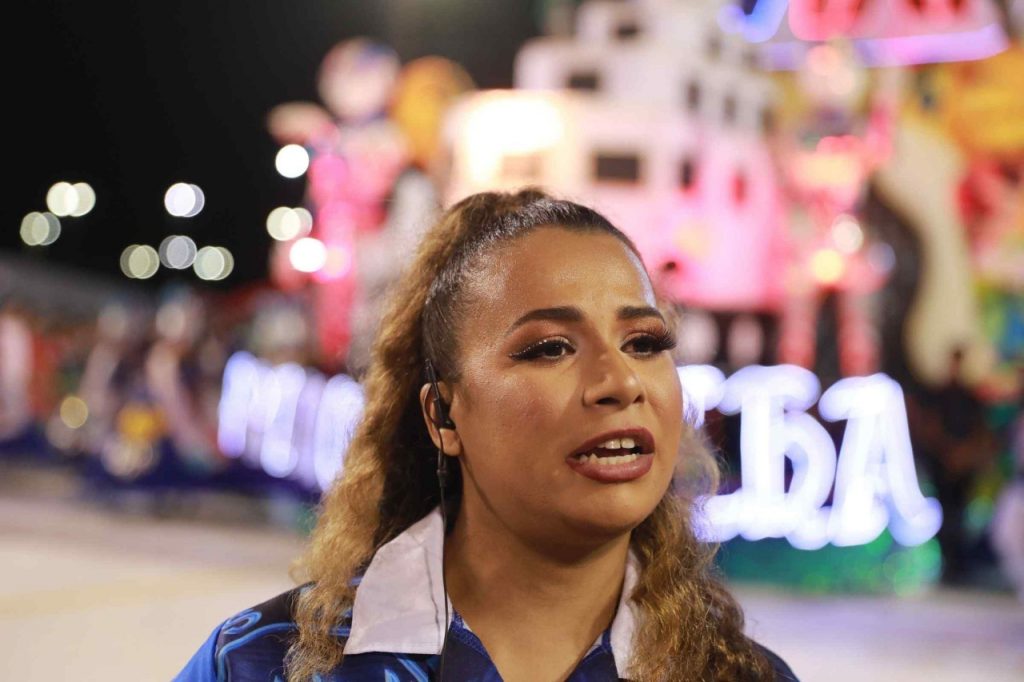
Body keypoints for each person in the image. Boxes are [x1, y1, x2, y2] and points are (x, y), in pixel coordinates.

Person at [176, 190, 798, 681]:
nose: (620, 381)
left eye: (644, 342)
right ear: (444, 416)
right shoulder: (263, 664)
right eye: (550, 348)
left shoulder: (740, 676)